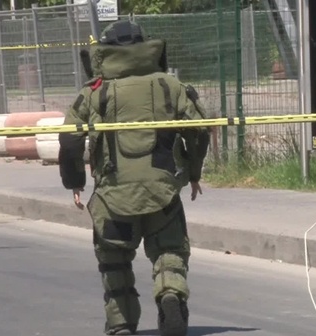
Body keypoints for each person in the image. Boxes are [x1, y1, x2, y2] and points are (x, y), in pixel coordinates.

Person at [58, 20, 210, 336]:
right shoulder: (170, 85)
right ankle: (170, 295)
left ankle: (121, 324)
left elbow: (70, 139)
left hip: (112, 195)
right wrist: (194, 173)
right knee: (170, 253)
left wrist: (74, 181)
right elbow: (200, 128)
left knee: (114, 262)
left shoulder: (94, 91)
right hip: (162, 193)